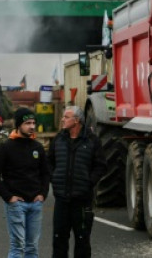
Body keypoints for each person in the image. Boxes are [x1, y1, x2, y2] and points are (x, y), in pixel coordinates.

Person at [0, 107, 51, 258]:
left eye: (33, 123)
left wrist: (43, 194)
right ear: (18, 125)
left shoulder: (37, 147)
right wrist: (8, 197)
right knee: (17, 246)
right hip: (16, 205)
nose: (32, 126)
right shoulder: (6, 147)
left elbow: (46, 173)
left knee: (32, 247)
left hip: (35, 204)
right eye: (27, 123)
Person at [48, 106, 106, 258]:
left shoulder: (92, 141)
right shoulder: (58, 139)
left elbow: (100, 166)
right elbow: (49, 163)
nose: (62, 119)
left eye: (66, 117)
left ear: (77, 121)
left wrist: (89, 183)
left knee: (82, 241)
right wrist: (54, 178)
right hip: (61, 200)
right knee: (59, 240)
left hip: (82, 201)